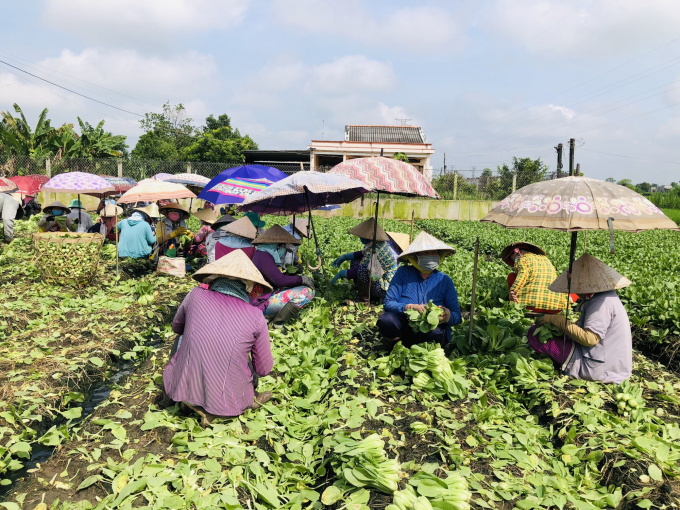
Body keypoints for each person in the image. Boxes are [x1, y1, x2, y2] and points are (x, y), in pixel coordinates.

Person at [161, 249, 274, 426]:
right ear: (248, 286)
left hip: (185, 386)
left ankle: (178, 389)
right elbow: (264, 369)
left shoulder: (195, 295)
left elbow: (177, 327)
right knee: (246, 359)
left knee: (182, 337)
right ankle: (244, 402)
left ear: (216, 278)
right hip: (227, 400)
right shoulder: (256, 316)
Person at [530, 253, 632, 384]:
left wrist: (558, 321)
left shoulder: (602, 302)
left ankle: (567, 367)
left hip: (600, 369)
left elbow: (589, 339)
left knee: (534, 334)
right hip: (607, 363)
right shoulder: (605, 296)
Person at [378, 231, 462, 346]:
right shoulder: (403, 273)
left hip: (431, 332)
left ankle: (423, 348)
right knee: (386, 320)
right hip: (405, 326)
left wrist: (447, 317)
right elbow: (388, 303)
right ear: (415, 257)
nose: (430, 256)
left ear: (439, 256)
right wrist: (410, 307)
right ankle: (398, 344)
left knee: (434, 332)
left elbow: (457, 316)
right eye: (426, 253)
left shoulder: (445, 281)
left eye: (433, 253)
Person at [250, 225, 315, 325]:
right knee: (306, 292)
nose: (284, 251)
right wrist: (302, 279)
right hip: (260, 305)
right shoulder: (263, 257)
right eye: (283, 247)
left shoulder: (262, 253)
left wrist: (293, 275)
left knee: (295, 287)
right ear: (277, 246)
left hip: (262, 298)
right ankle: (277, 323)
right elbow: (280, 281)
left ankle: (279, 316)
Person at [331, 218, 399, 303]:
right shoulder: (375, 244)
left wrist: (343, 273)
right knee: (356, 261)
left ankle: (364, 301)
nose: (360, 237)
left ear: (367, 237)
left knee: (363, 269)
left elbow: (360, 269)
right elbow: (362, 254)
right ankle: (361, 290)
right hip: (379, 280)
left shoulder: (377, 249)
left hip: (385, 289)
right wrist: (345, 257)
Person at [502, 242, 574, 313]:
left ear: (517, 253)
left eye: (513, 259)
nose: (514, 262)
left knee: (511, 276)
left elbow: (523, 274)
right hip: (556, 308)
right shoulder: (546, 259)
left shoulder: (521, 259)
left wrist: (513, 291)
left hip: (531, 307)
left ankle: (515, 301)